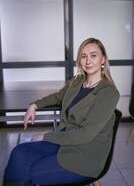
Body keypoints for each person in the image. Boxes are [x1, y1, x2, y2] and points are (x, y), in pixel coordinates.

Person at [3, 38, 120, 186]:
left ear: (103, 60)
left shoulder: (108, 93)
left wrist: (45, 136)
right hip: (63, 141)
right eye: (83, 56)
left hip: (83, 156)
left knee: (25, 172)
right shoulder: (77, 81)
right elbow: (58, 97)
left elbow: (85, 134)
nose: (88, 60)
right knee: (18, 153)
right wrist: (35, 104)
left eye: (93, 55)